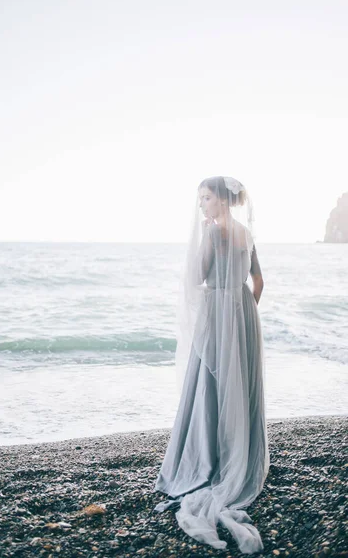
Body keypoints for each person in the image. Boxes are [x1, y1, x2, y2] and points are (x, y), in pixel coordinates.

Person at [152, 176, 270, 554]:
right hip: (243, 314)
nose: (201, 205)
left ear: (221, 199)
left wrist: (219, 308)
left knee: (208, 384)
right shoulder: (246, 233)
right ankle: (240, 453)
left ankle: (210, 459)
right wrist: (243, 315)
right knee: (240, 383)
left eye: (205, 198)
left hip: (221, 314)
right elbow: (259, 281)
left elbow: (196, 278)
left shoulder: (214, 233)